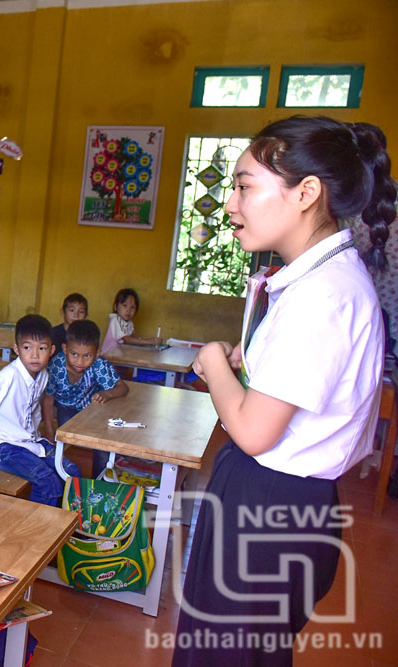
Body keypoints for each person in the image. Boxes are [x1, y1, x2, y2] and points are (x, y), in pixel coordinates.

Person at [172, 116, 393, 666]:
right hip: (279, 501)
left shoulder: (322, 295)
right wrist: (250, 362)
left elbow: (252, 430)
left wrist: (213, 364)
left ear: (306, 192)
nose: (231, 204)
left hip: (268, 503)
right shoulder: (325, 278)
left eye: (245, 185)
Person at [0, 314, 80, 507]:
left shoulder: (42, 375)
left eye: (42, 348)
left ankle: (58, 524)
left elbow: (33, 410)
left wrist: (35, 435)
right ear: (17, 349)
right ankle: (36, 532)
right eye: (27, 348)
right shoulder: (8, 377)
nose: (35, 355)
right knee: (48, 482)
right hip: (3, 447)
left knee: (71, 473)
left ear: (51, 350)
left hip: (26, 442)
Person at [41, 320, 128, 478]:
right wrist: (48, 429)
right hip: (65, 408)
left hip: (93, 410)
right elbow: (48, 398)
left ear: (97, 354)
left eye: (87, 356)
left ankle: (97, 483)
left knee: (102, 447)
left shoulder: (99, 365)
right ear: (65, 349)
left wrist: (107, 394)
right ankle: (65, 479)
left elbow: (123, 388)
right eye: (75, 354)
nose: (80, 362)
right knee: (63, 439)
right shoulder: (56, 366)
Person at [100, 288, 161, 354]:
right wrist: (150, 341)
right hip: (107, 360)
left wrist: (150, 344)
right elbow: (127, 340)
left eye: (132, 307)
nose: (128, 310)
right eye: (125, 305)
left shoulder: (129, 323)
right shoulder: (115, 320)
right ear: (115, 307)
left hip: (119, 358)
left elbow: (133, 340)